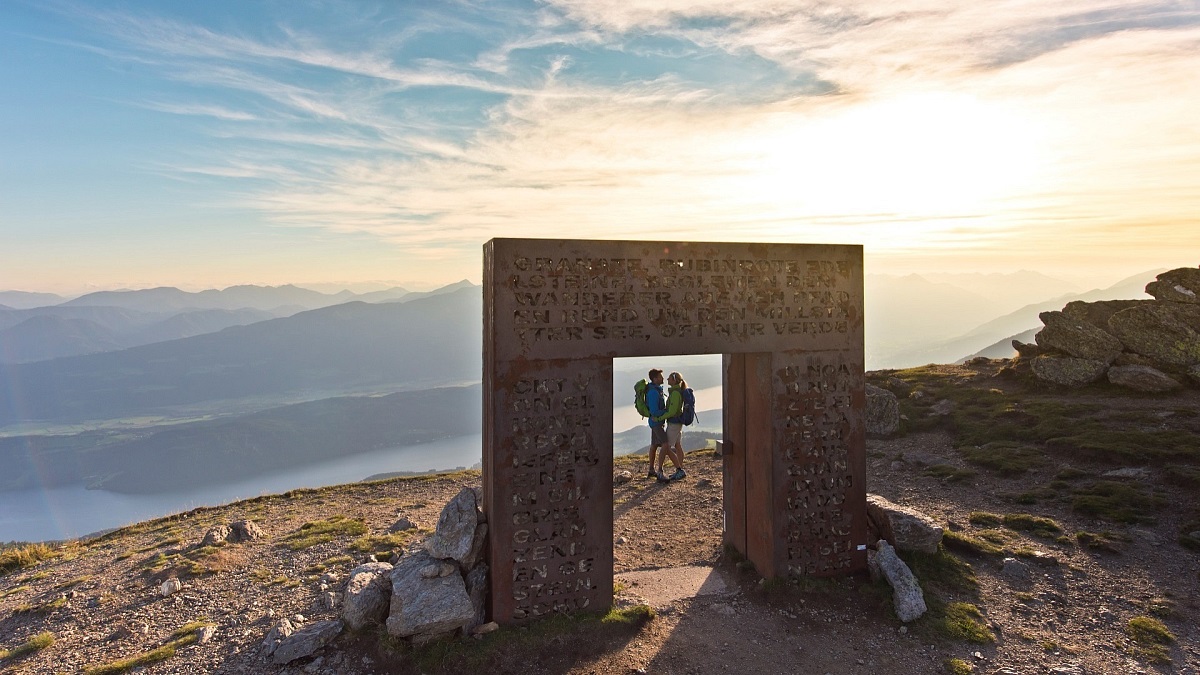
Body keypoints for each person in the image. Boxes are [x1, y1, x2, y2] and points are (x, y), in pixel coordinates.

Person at [654, 371, 688, 481]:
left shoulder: (675, 393)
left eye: (669, 378)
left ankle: (678, 470)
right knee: (677, 445)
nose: (667, 380)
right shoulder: (676, 391)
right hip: (677, 423)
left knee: (666, 447)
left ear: (674, 380)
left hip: (674, 424)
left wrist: (659, 418)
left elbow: (672, 411)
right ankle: (680, 469)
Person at [644, 369, 668, 480]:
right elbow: (654, 412)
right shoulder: (653, 392)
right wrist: (667, 411)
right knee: (665, 444)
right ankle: (660, 471)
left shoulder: (656, 390)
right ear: (655, 379)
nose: (663, 378)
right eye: (660, 377)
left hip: (655, 423)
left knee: (654, 446)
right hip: (656, 423)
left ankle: (651, 470)